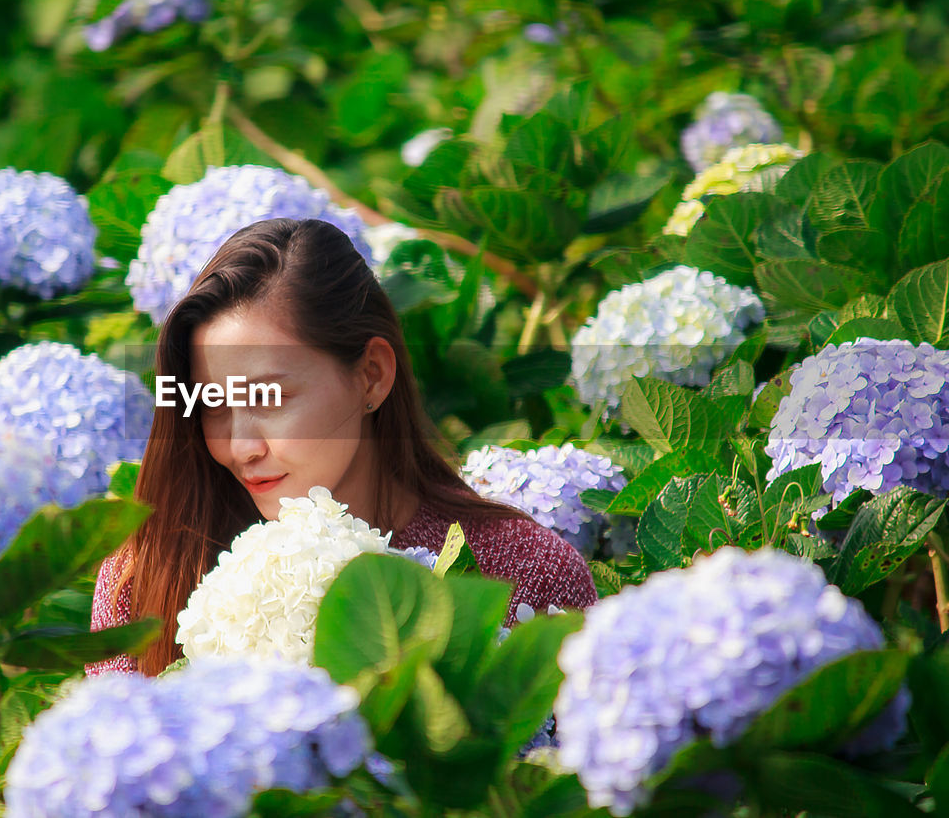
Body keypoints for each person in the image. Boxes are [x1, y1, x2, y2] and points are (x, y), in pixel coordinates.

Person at [88, 217, 597, 676]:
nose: (240, 447)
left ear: (371, 376)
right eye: (213, 404)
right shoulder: (144, 578)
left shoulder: (523, 570)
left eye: (270, 397)